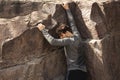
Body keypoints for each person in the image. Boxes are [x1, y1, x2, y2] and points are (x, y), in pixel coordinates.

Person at [37, 3, 87, 80]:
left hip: (73, 73)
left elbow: (53, 41)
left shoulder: (68, 41)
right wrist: (67, 9)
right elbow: (72, 23)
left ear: (64, 33)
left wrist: (43, 30)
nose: (61, 38)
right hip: (83, 73)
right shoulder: (77, 35)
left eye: (61, 36)